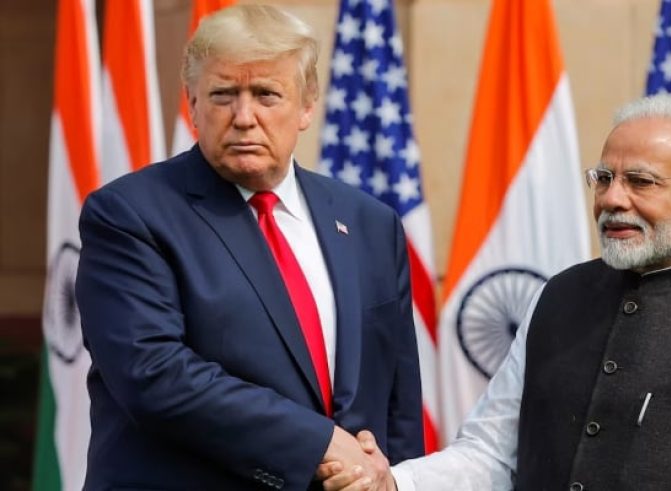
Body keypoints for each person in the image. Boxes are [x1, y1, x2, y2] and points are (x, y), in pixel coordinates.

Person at [318, 93, 671, 490]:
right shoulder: (559, 298)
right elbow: (492, 455)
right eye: (603, 178)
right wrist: (394, 482)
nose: (613, 200)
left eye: (641, 181)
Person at [75, 4, 423, 490]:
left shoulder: (370, 222)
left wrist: (399, 480)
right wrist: (317, 441)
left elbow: (397, 397)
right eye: (223, 95)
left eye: (265, 94)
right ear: (192, 104)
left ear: (306, 105)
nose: (244, 117)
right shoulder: (130, 215)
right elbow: (152, 374)